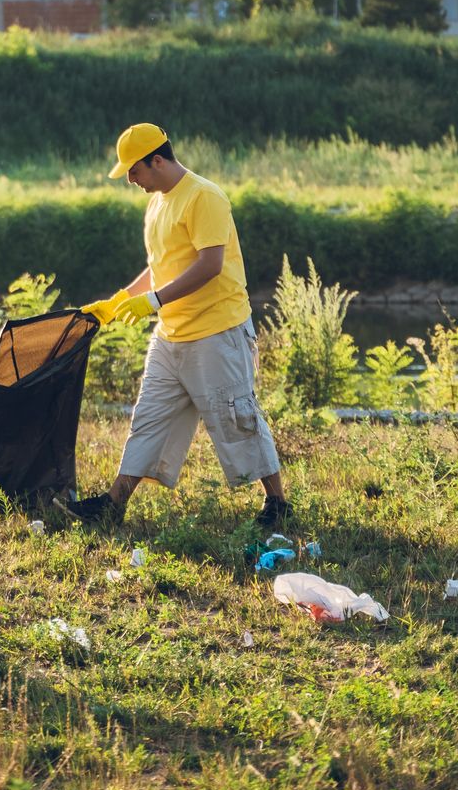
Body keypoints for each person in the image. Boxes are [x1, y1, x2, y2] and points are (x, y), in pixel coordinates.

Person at [66, 123, 290, 531]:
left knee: (237, 417)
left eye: (134, 171)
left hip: (216, 330)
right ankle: (113, 505)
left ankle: (277, 502)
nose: (131, 180)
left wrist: (152, 301)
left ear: (157, 159)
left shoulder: (204, 197)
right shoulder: (156, 202)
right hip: (171, 335)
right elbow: (160, 268)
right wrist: (118, 301)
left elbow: (210, 264)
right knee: (148, 418)